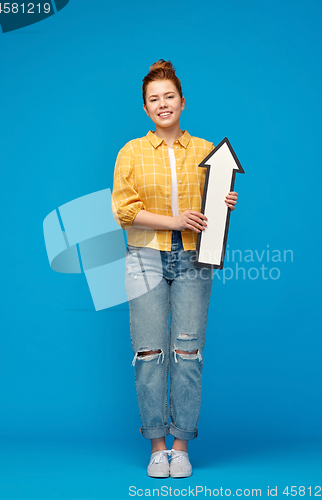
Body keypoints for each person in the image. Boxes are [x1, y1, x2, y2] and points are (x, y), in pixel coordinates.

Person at [112, 60, 238, 478]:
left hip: (193, 260)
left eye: (169, 96)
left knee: (188, 353)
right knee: (149, 354)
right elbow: (124, 212)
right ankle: (157, 446)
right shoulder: (130, 152)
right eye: (154, 99)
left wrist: (223, 205)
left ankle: (181, 445)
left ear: (182, 102)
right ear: (145, 109)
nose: (162, 104)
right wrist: (174, 221)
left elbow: (210, 212)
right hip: (144, 258)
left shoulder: (206, 151)